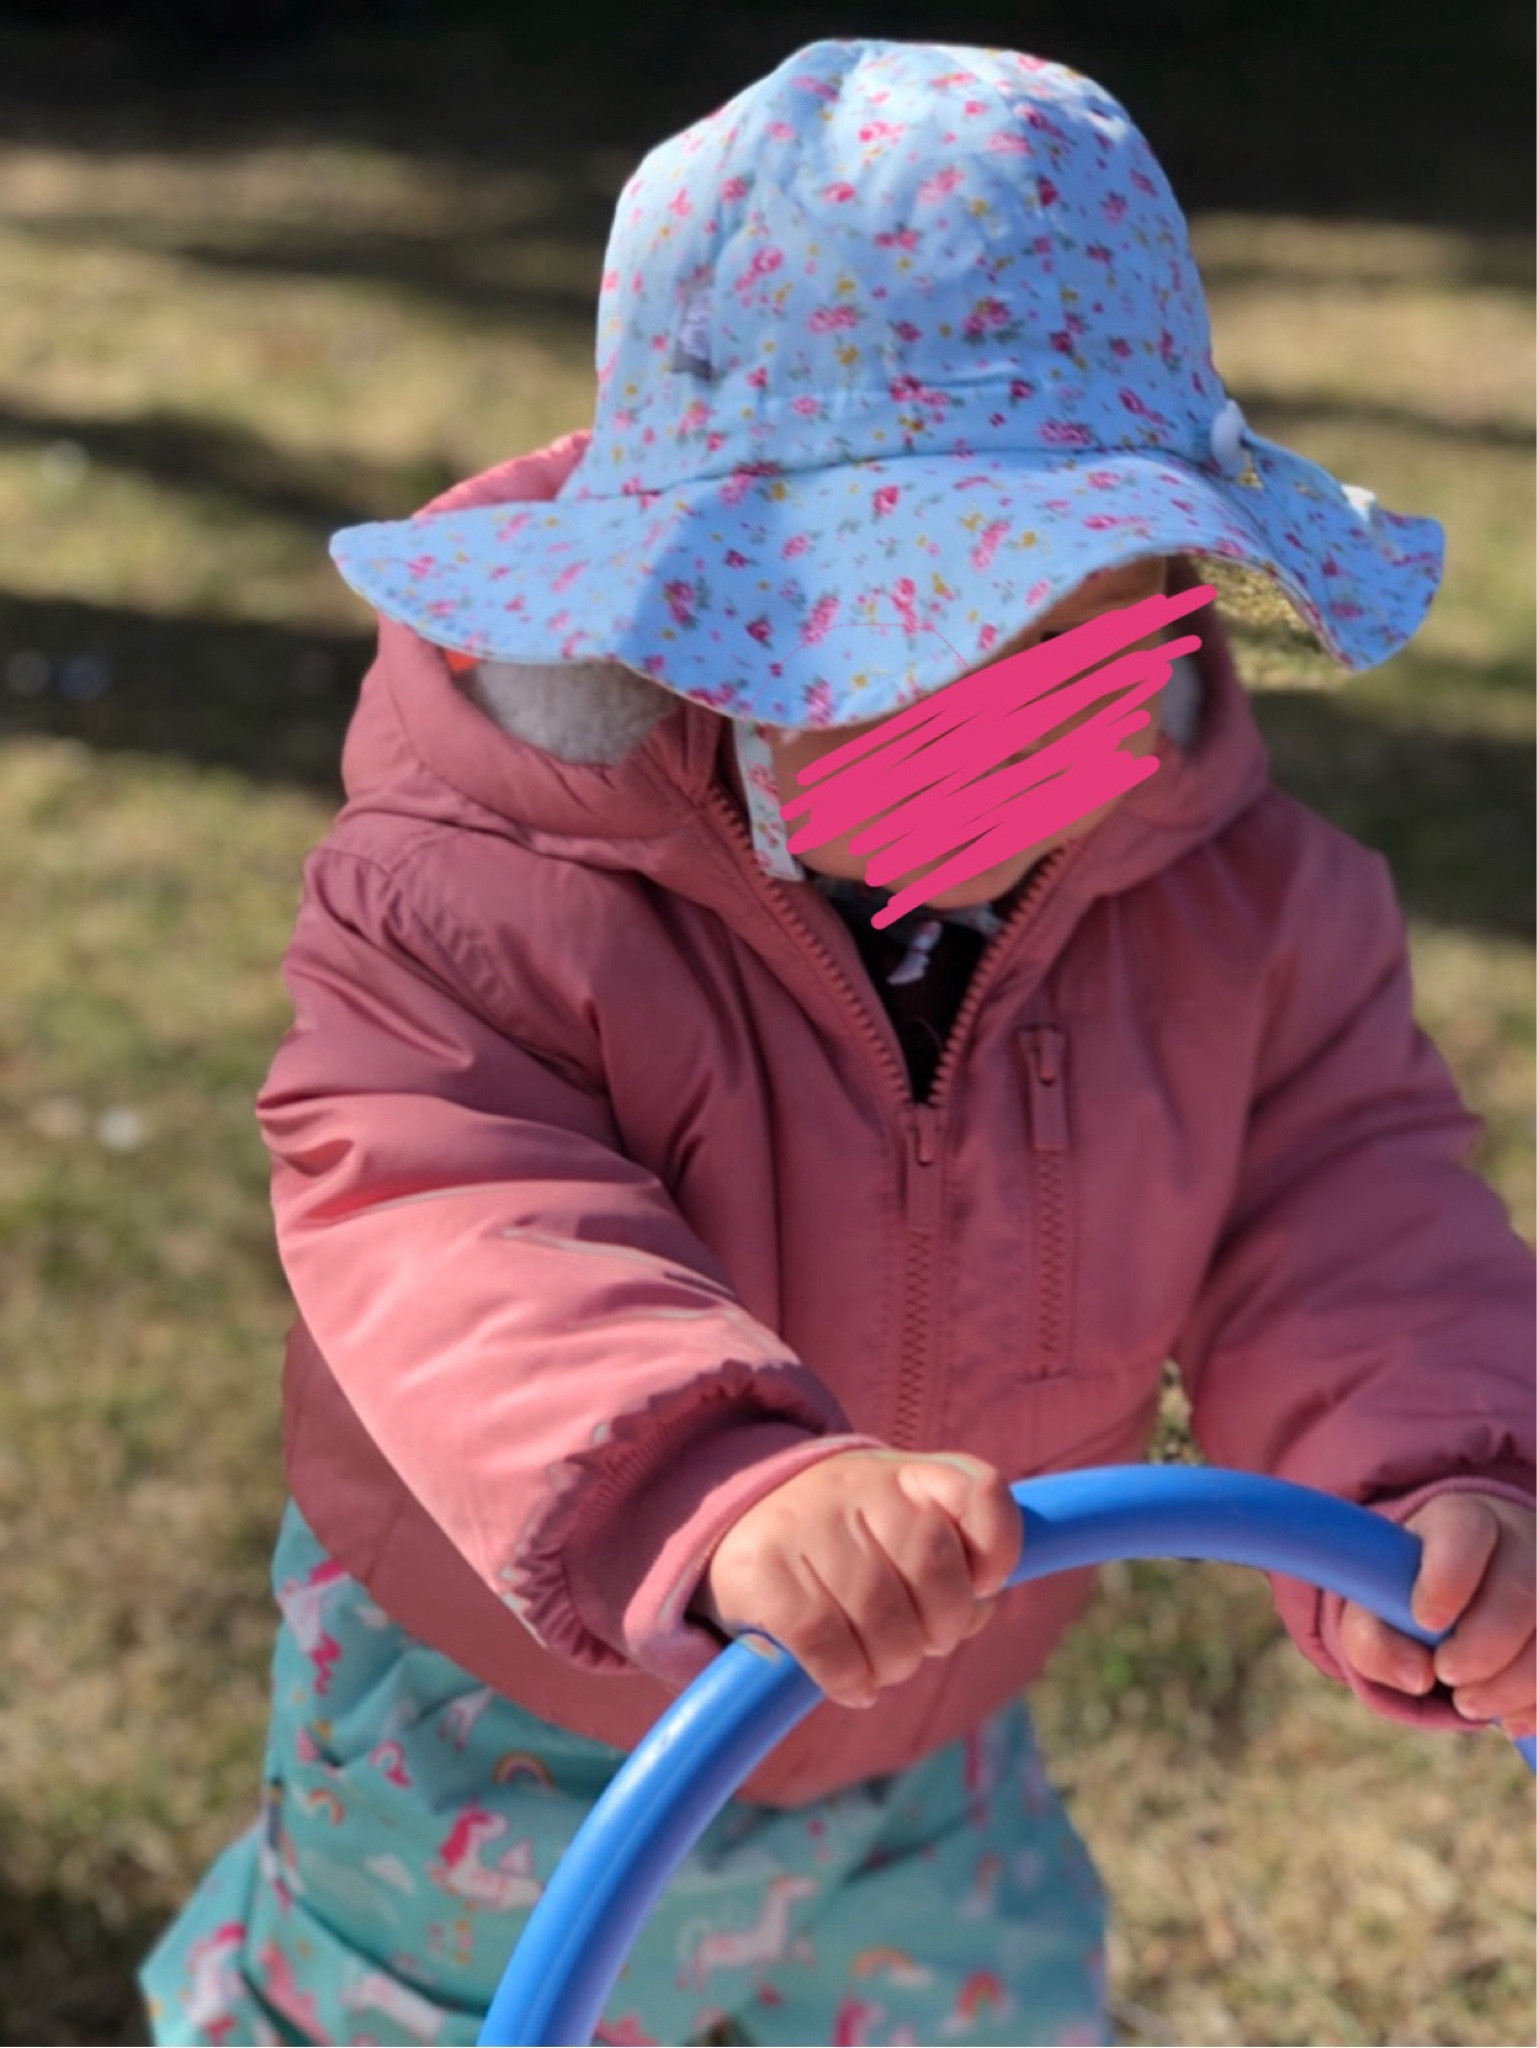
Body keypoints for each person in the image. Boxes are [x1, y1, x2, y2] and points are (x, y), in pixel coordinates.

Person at [140, 37, 1535, 2048]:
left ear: (1172, 582)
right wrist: (725, 1485)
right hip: (506, 1737)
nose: (999, 724)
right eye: (904, 634)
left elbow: (1346, 1205)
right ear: (701, 602)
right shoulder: (477, 892)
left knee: (993, 2006)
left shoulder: (1250, 916)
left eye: (1073, 624)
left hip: (925, 1703)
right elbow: (448, 1199)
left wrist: (1444, 1466)